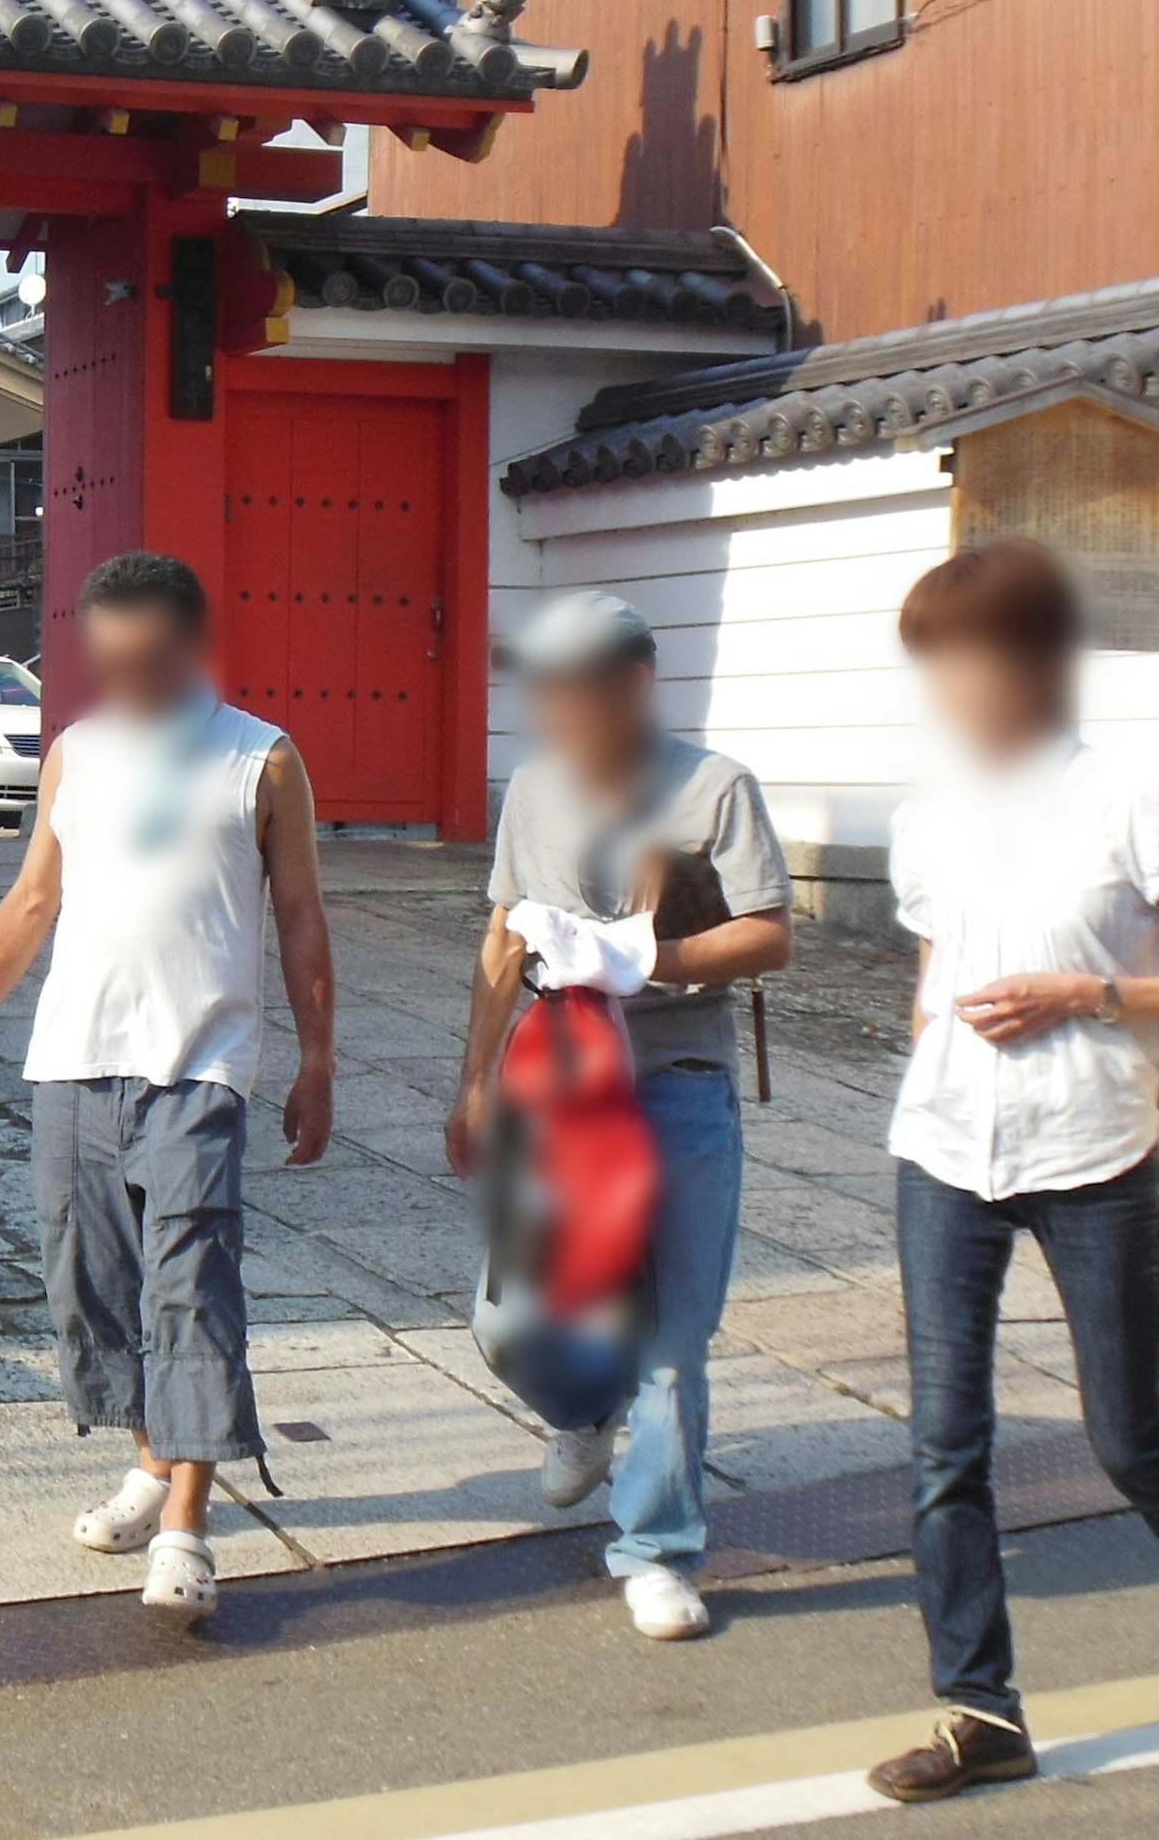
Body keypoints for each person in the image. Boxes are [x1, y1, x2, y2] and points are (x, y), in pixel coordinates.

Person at [863, 538, 1159, 1807]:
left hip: (1099, 1147)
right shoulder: (925, 812)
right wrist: (945, 1027)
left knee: (1123, 1431)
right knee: (944, 1440)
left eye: (968, 661)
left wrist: (1086, 991)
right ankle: (981, 1708)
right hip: (943, 1148)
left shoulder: (1136, 797)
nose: (950, 692)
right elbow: (936, 970)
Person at [0, 549, 337, 1627]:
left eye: (147, 657)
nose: (126, 678)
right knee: (88, 1286)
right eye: (109, 658)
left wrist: (320, 1057)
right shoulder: (76, 753)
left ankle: (189, 1524)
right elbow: (31, 899)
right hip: (71, 1059)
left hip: (198, 1066)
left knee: (189, 1285)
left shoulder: (262, 758)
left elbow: (299, 920)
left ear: (192, 647)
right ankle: (153, 1461)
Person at [450, 589, 791, 1644]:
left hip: (676, 1078)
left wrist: (649, 955)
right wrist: (472, 1077)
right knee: (514, 1318)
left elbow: (770, 934)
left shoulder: (716, 787)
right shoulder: (536, 788)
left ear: (637, 683)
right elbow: (503, 934)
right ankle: (578, 1414)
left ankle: (657, 1546)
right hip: (559, 1086)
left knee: (674, 1339)